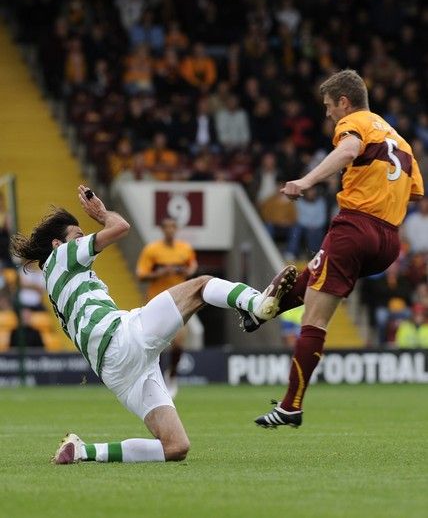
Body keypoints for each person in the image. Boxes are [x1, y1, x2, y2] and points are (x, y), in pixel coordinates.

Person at [10, 185, 296, 464]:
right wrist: (102, 213)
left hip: (116, 373)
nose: (84, 240)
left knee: (175, 446)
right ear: (57, 244)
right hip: (122, 337)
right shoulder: (62, 255)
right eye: (77, 236)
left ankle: (83, 450)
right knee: (202, 286)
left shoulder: (56, 282)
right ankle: (256, 305)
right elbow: (121, 227)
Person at [242, 69, 424, 428]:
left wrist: (306, 181)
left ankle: (291, 405)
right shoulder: (402, 142)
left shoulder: (355, 123)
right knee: (315, 276)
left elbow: (350, 149)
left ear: (344, 101)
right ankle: (263, 310)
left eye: (328, 106)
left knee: (314, 319)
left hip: (355, 226)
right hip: (388, 242)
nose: (327, 114)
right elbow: (415, 192)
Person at [136, 217, 199, 398]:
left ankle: (172, 375)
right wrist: (160, 273)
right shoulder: (152, 250)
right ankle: (154, 379)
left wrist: (187, 271)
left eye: (173, 227)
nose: (170, 230)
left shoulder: (184, 248)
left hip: (179, 303)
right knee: (156, 344)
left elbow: (192, 265)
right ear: (162, 229)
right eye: (167, 227)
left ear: (176, 229)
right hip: (156, 303)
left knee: (178, 343)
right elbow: (141, 274)